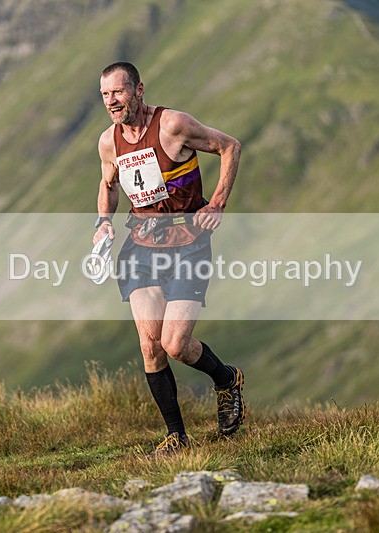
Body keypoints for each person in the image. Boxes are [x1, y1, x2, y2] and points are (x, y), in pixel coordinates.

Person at [92, 61, 245, 456]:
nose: (112, 101)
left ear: (139, 90)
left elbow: (230, 146)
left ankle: (227, 380)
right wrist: (103, 222)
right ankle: (177, 436)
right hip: (140, 244)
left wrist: (218, 203)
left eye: (119, 92)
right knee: (150, 345)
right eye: (106, 94)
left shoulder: (173, 125)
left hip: (189, 241)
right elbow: (107, 183)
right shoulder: (108, 141)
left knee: (176, 343)